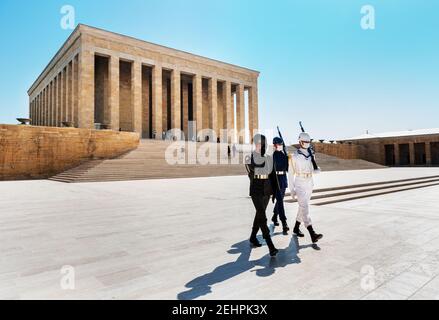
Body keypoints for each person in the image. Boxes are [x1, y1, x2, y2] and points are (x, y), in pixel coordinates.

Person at [245, 134, 279, 257]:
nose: (260, 145)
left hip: (267, 190)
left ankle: (253, 237)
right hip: (256, 189)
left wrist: (275, 192)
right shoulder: (249, 157)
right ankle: (270, 245)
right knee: (262, 217)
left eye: (262, 143)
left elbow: (273, 176)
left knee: (259, 214)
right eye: (258, 143)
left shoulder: (269, 158)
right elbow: (252, 171)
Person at [288, 132, 323, 243]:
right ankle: (312, 233)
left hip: (309, 182)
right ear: (300, 142)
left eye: (309, 142)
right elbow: (290, 174)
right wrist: (291, 189)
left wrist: (317, 170)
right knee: (305, 208)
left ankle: (296, 228)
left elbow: (313, 167)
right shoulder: (295, 156)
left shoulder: (311, 154)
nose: (307, 144)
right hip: (299, 183)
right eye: (305, 142)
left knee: (303, 207)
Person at [271, 137, 290, 235]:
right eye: (278, 144)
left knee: (280, 200)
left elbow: (287, 169)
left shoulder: (284, 154)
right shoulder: (273, 155)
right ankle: (284, 223)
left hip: (283, 179)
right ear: (274, 145)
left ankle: (274, 216)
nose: (279, 146)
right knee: (280, 201)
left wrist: (287, 157)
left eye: (281, 144)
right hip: (276, 180)